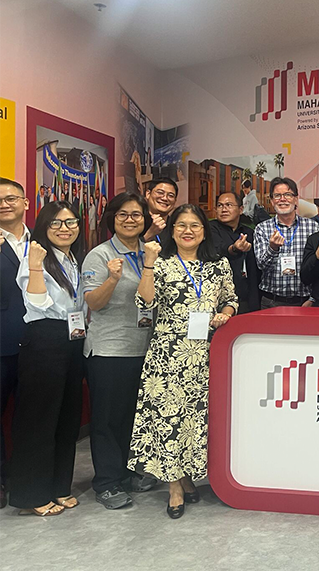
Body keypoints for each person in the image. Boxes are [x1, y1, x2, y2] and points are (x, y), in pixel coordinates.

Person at [128, 204, 237, 519]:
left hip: (206, 353)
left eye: (195, 225)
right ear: (171, 229)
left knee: (194, 421)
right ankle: (174, 486)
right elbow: (145, 302)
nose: (188, 231)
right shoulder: (160, 264)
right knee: (168, 419)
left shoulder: (218, 265)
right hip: (168, 354)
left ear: (204, 231)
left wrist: (225, 314)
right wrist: (148, 263)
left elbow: (231, 298)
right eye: (181, 225)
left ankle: (187, 475)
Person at [82, 192, 157, 510]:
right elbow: (93, 303)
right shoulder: (99, 256)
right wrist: (112, 278)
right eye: (123, 214)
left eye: (137, 215)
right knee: (108, 419)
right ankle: (107, 482)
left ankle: (128, 472)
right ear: (111, 219)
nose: (130, 220)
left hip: (144, 347)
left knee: (133, 416)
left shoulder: (151, 253)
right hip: (109, 350)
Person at [10, 202, 86, 516]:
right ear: (44, 225)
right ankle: (32, 495)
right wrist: (37, 265)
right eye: (56, 223)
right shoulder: (35, 255)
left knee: (67, 418)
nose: (64, 228)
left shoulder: (73, 258)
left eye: (70, 222)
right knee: (38, 420)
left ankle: (59, 487)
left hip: (72, 340)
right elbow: (38, 301)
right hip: (43, 339)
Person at [0, 178, 30, 509]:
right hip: (2, 342)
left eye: (12, 197)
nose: (5, 204)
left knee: (31, 414)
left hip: (39, 346)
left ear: (25, 203)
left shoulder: (45, 242)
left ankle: (25, 476)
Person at [253, 177, 319, 308]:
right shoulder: (262, 229)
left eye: (288, 195)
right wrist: (272, 249)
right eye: (277, 195)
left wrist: (313, 298)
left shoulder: (312, 227)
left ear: (296, 199)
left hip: (304, 302)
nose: (282, 199)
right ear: (272, 201)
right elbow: (262, 266)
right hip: (271, 302)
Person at [210, 192, 260, 313]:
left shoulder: (249, 232)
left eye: (229, 205)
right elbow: (217, 250)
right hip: (217, 299)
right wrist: (234, 248)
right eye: (220, 205)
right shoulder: (210, 229)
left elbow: (254, 269)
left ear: (241, 209)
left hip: (245, 298)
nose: (224, 209)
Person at [143, 178, 179, 242]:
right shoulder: (136, 222)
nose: (165, 198)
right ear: (148, 194)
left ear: (175, 201)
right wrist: (149, 234)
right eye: (160, 192)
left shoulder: (176, 226)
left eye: (170, 196)